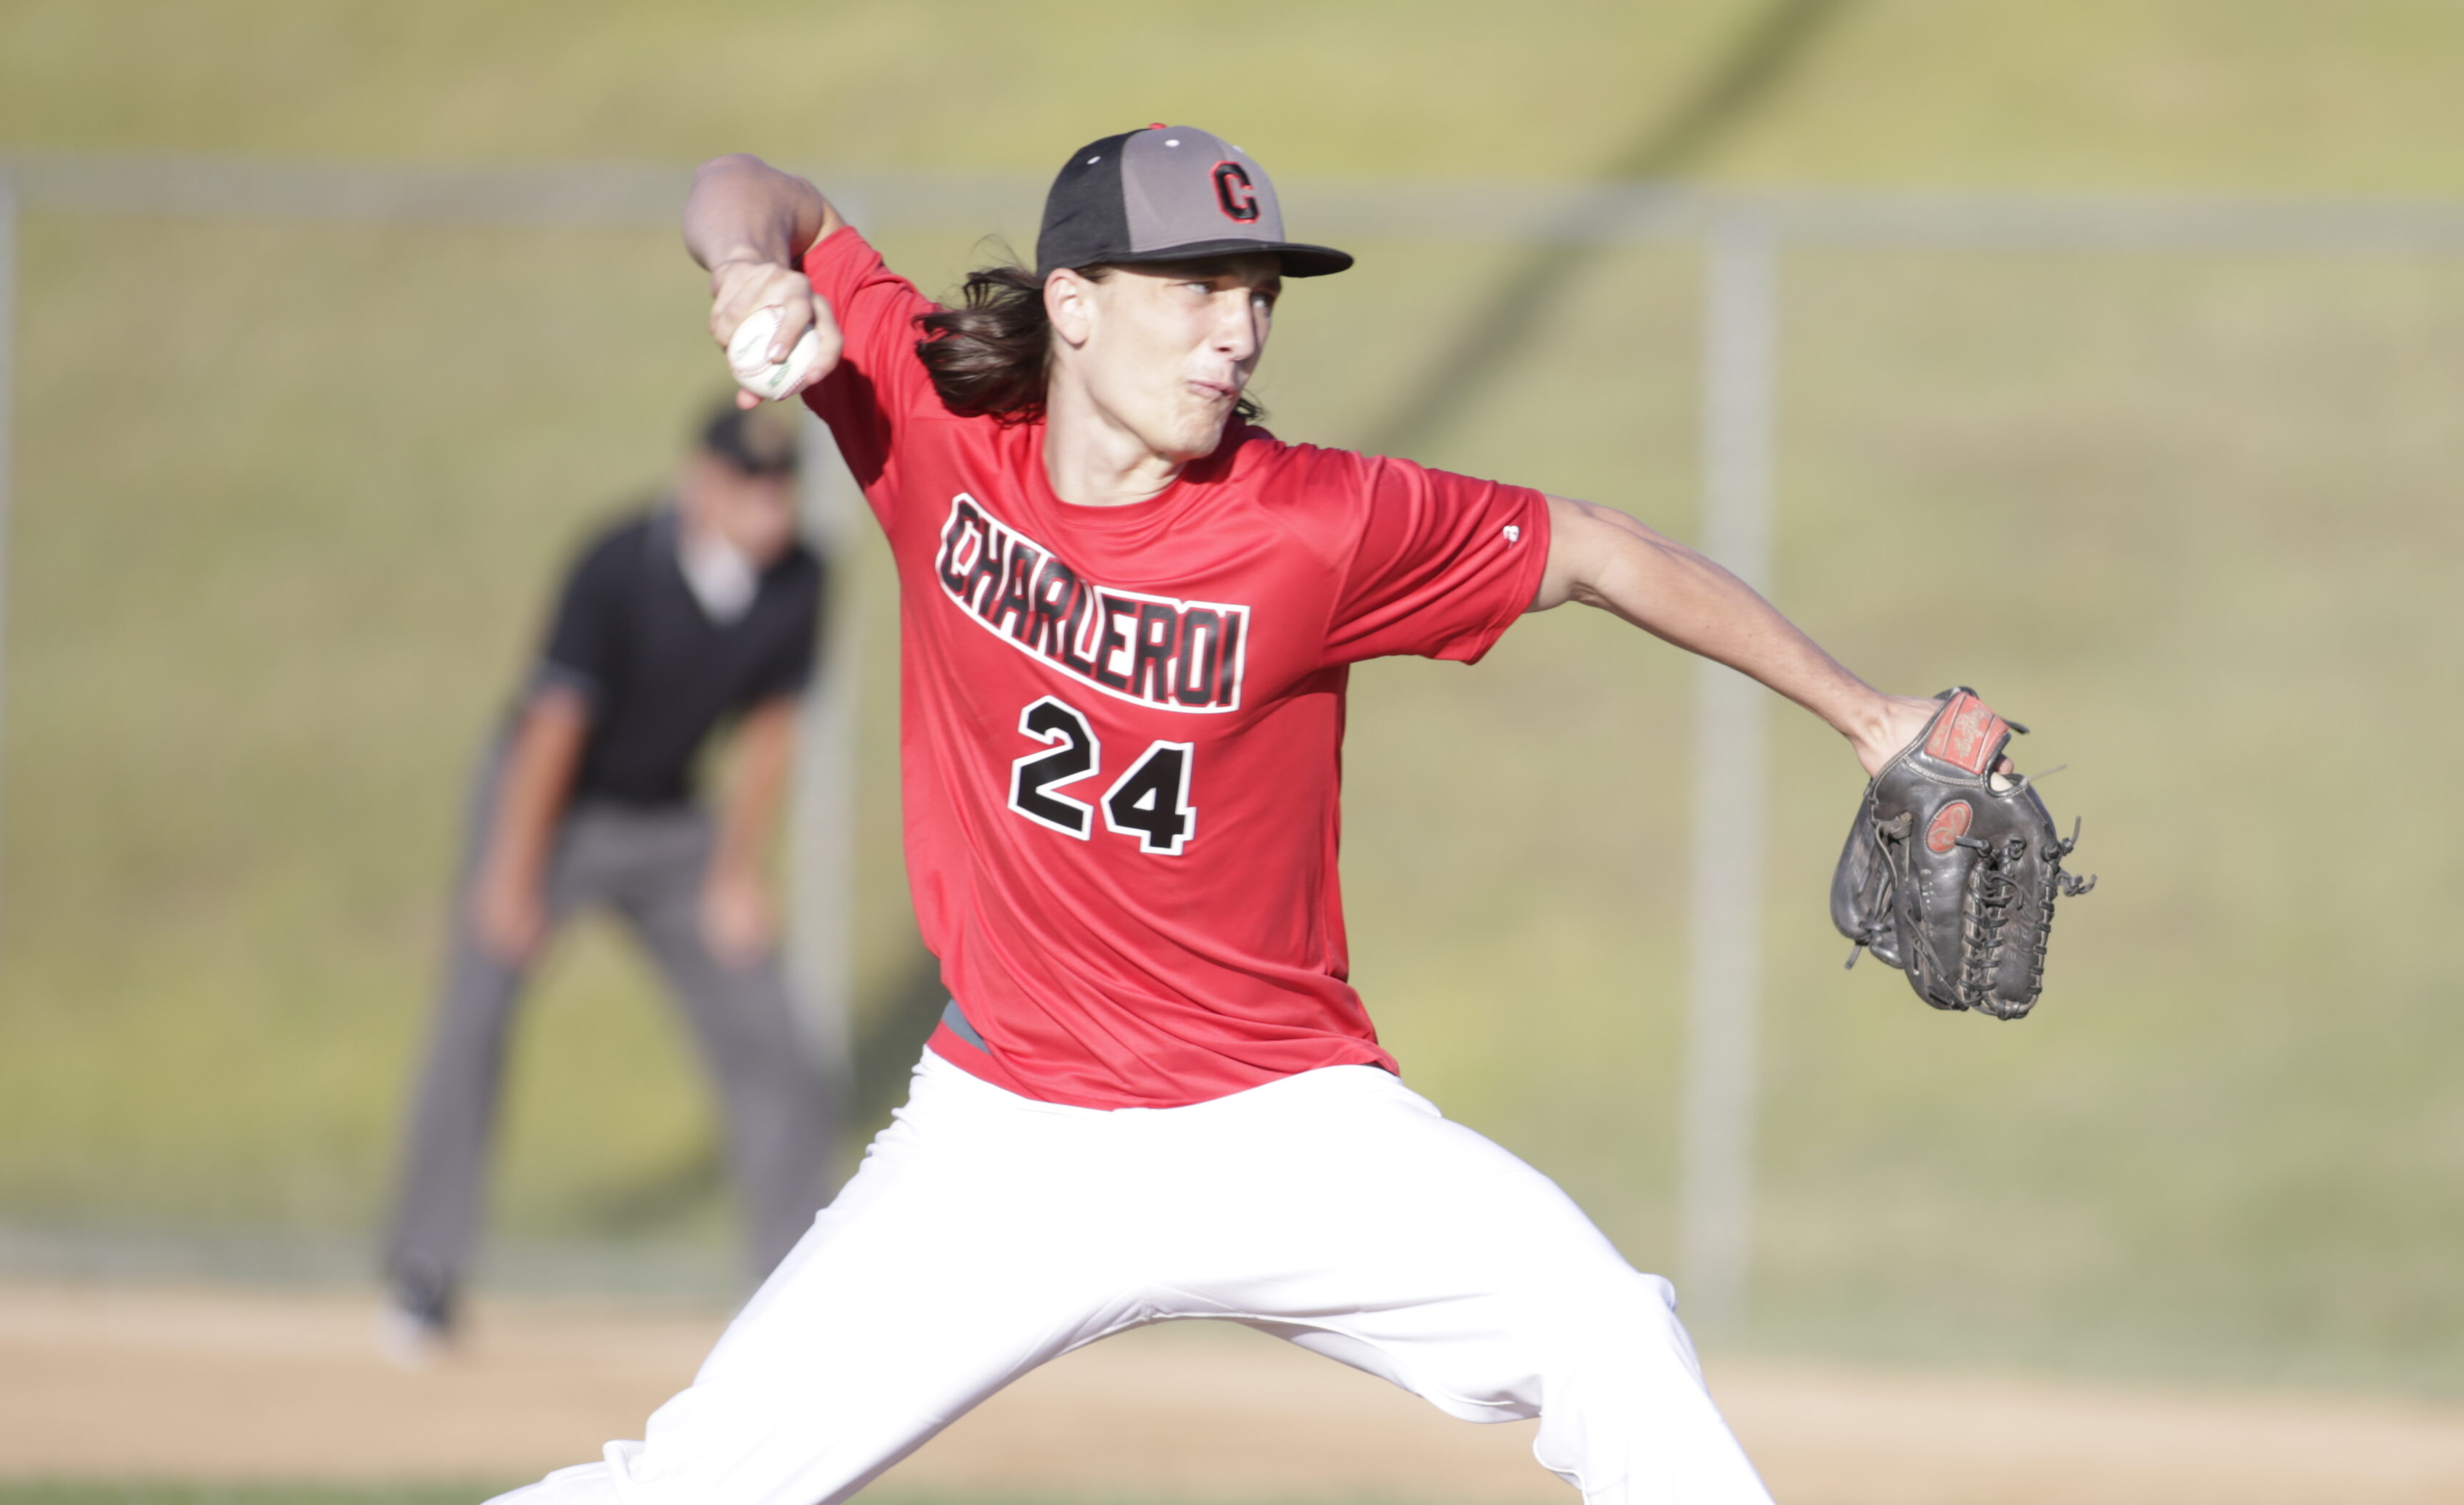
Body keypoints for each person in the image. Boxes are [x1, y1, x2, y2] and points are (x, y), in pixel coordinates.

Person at [494, 125, 1944, 1504]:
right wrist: (748, 267)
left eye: (1255, 296)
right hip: (1009, 1135)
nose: (1237, 333)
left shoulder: (1318, 524)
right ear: (1073, 302)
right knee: (693, 1482)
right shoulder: (930, 419)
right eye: (1195, 289)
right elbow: (745, 186)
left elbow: (1602, 552)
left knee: (1610, 1333)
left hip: (1284, 1126)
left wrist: (1873, 718)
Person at [382, 403, 838, 1361]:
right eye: (746, 482)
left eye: (780, 483)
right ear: (700, 484)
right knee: (474, 1017)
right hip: (552, 809)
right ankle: (424, 1274)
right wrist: (512, 879)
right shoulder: (617, 564)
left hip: (673, 822)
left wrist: (735, 874)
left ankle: (791, 1285)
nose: (766, 501)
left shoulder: (803, 579)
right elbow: (554, 725)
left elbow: (770, 731)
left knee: (769, 1029)